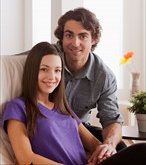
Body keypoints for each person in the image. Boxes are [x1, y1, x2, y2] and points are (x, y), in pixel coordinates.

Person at [2, 42, 146, 165]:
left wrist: (103, 151)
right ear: (32, 71)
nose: (52, 77)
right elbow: (25, 158)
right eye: (44, 69)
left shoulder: (62, 107)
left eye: (57, 70)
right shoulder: (18, 107)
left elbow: (93, 143)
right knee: (141, 151)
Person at [54, 7, 126, 152]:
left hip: (80, 130)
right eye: (69, 35)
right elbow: (17, 61)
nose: (75, 43)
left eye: (83, 36)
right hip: (49, 127)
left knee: (120, 147)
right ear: (61, 38)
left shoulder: (104, 76)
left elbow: (111, 119)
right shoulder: (47, 57)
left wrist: (109, 145)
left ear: (94, 39)